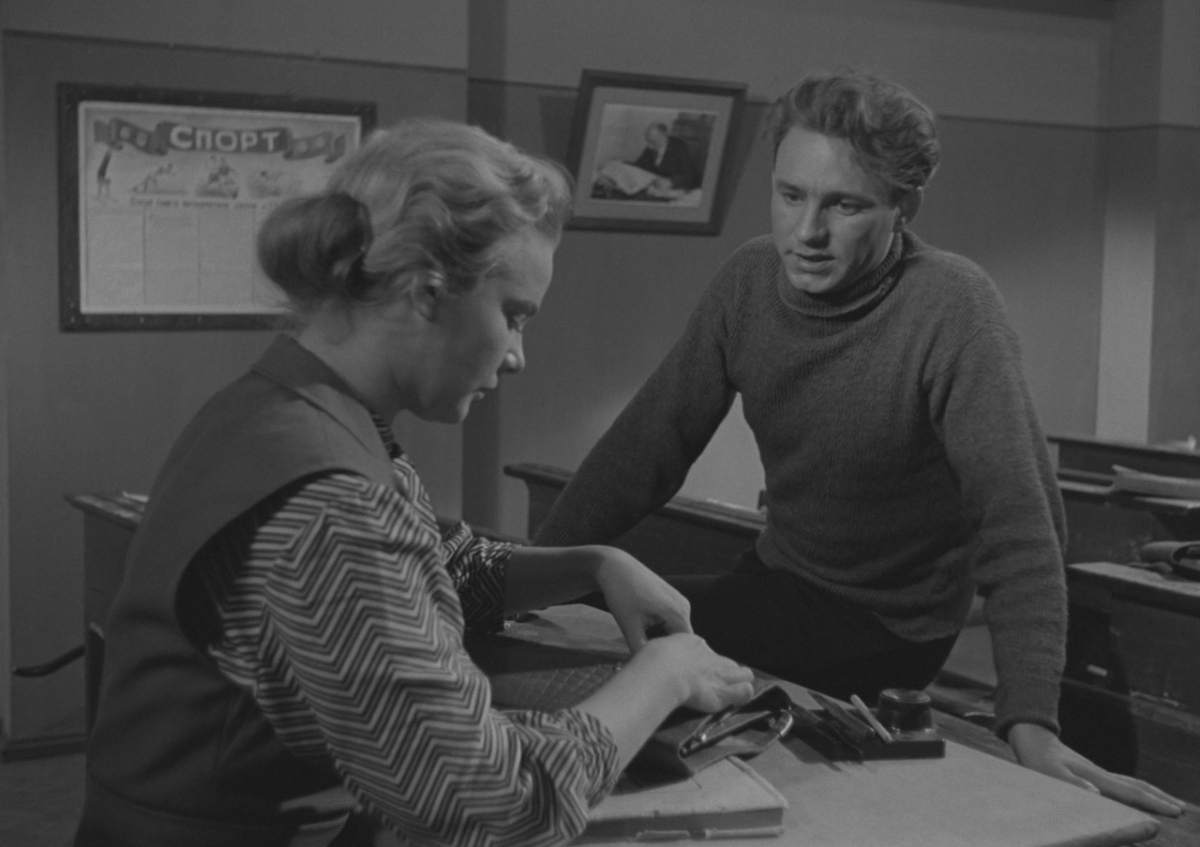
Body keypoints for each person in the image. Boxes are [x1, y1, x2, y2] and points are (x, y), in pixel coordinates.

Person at [75, 119, 755, 847]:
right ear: (428, 291)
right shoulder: (331, 503)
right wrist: (663, 677)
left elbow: (422, 568)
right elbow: (489, 804)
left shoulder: (279, 408)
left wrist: (590, 565)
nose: (517, 354)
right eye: (513, 316)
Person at [533, 71, 1185, 817]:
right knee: (578, 627)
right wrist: (523, 580)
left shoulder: (952, 307)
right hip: (778, 580)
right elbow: (643, 450)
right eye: (790, 196)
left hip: (887, 627)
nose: (807, 232)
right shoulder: (748, 281)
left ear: (904, 207)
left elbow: (1022, 529)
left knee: (637, 672)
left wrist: (1031, 724)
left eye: (844, 205)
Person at [631, 121, 697, 193]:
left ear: (663, 137)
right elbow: (639, 165)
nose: (649, 146)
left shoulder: (680, 147)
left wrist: (671, 182)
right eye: (648, 140)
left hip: (671, 190)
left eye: (653, 142)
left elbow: (688, 175)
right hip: (653, 188)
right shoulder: (651, 147)